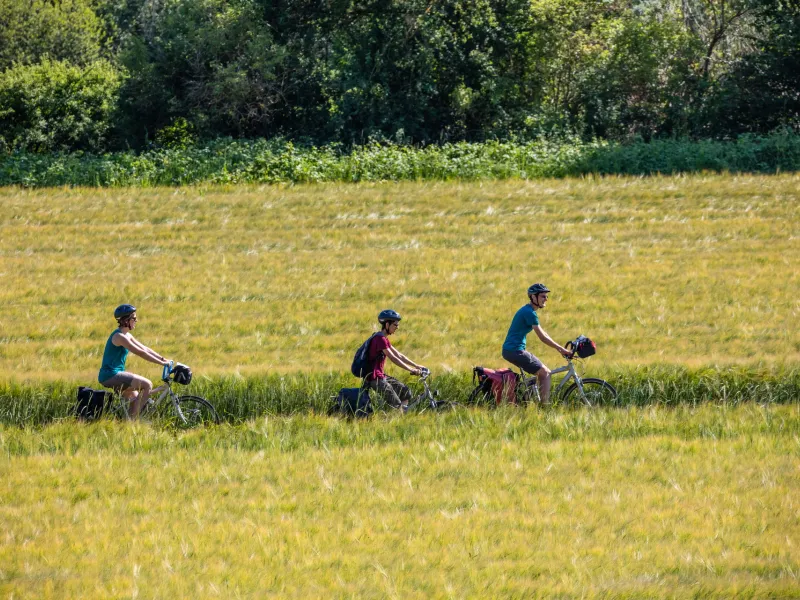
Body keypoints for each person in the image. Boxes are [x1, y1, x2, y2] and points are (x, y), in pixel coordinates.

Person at [502, 283, 572, 404]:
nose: (546, 299)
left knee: (540, 373)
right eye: (543, 296)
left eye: (546, 296)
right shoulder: (529, 313)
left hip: (512, 350)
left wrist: (560, 349)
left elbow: (544, 333)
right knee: (545, 373)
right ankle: (544, 407)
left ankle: (530, 396)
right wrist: (561, 349)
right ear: (533, 297)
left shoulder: (528, 310)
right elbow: (542, 337)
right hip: (515, 350)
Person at [98, 304, 171, 417]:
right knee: (147, 385)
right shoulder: (119, 337)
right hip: (111, 375)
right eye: (134, 318)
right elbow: (140, 352)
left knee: (136, 398)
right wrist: (161, 363)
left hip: (115, 374)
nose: (136, 320)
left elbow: (145, 348)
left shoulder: (127, 335)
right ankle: (133, 422)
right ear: (126, 320)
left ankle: (128, 423)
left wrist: (162, 358)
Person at [365, 309, 427, 411]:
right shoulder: (379, 339)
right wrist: (411, 370)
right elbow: (393, 358)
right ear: (387, 324)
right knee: (396, 405)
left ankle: (402, 414)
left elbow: (399, 355)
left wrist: (416, 365)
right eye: (395, 324)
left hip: (381, 376)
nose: (397, 327)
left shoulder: (383, 338)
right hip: (375, 378)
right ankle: (395, 419)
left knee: (405, 392)